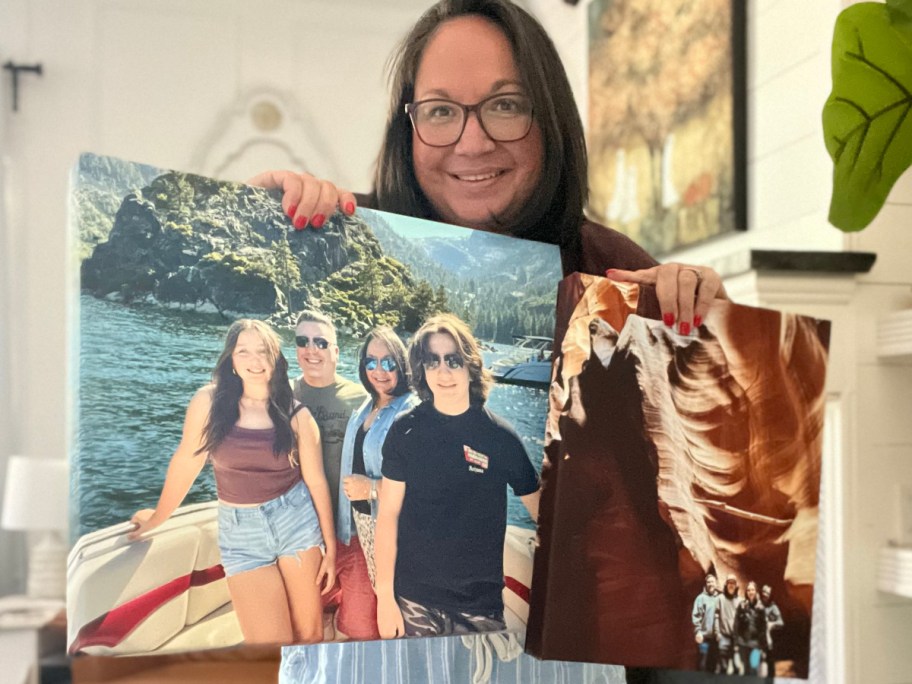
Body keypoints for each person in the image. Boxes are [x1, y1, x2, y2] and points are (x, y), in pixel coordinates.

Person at [249, 0, 729, 679]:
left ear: (549, 118)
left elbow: (689, 499)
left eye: (505, 105)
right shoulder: (342, 235)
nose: (472, 142)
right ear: (407, 127)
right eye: (440, 110)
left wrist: (707, 331)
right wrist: (259, 213)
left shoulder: (612, 267)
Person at [129, 319, 335, 645]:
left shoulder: (298, 416)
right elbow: (187, 462)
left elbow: (317, 483)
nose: (255, 362)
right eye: (244, 352)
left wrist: (331, 549)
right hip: (241, 533)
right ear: (232, 360)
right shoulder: (208, 403)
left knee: (309, 635)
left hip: (296, 522)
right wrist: (157, 517)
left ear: (276, 360)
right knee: (271, 646)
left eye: (263, 352)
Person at [375, 313, 540, 638]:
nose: (443, 371)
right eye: (432, 361)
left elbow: (541, 512)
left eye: (452, 360)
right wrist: (384, 597)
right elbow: (389, 514)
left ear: (470, 365)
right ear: (421, 368)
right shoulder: (404, 431)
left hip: (479, 607)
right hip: (413, 599)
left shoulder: (500, 437)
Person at [291, 309, 374, 640]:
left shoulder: (361, 398)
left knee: (362, 631)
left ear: (336, 351)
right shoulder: (282, 395)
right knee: (304, 629)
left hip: (351, 533)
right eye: (303, 341)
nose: (312, 349)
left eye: (321, 342)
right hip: (300, 534)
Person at [335, 326, 416, 633]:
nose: (379, 371)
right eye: (371, 362)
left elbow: (424, 485)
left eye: (388, 362)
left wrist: (368, 488)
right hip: (365, 529)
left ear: (402, 364)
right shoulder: (366, 407)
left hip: (398, 534)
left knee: (402, 614)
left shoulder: (411, 411)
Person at [735, 581, 768, 676]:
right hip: (743, 643)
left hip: (755, 644)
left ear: (756, 591)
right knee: (745, 669)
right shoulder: (741, 606)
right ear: (746, 592)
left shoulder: (761, 608)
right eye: (748, 590)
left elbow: (763, 628)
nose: (750, 592)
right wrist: (736, 642)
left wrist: (763, 647)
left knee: (754, 668)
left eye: (752, 589)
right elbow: (736, 624)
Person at [714, 574, 743, 675]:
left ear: (736, 585)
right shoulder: (720, 599)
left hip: (736, 638)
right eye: (729, 583)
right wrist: (717, 632)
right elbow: (716, 617)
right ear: (726, 584)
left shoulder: (740, 601)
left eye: (733, 583)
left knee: (737, 666)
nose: (731, 585)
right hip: (723, 636)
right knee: (723, 665)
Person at [692, 574, 720, 673]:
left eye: (712, 582)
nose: (710, 584)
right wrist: (698, 631)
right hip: (704, 638)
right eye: (708, 582)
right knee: (702, 663)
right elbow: (696, 616)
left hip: (716, 638)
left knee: (714, 665)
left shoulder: (720, 598)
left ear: (716, 583)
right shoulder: (700, 598)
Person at [761, 584, 785, 676]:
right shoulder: (758, 604)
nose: (765, 594)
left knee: (770, 666)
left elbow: (781, 622)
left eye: (767, 593)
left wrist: (771, 624)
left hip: (769, 643)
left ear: (770, 595)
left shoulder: (773, 607)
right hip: (757, 642)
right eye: (763, 592)